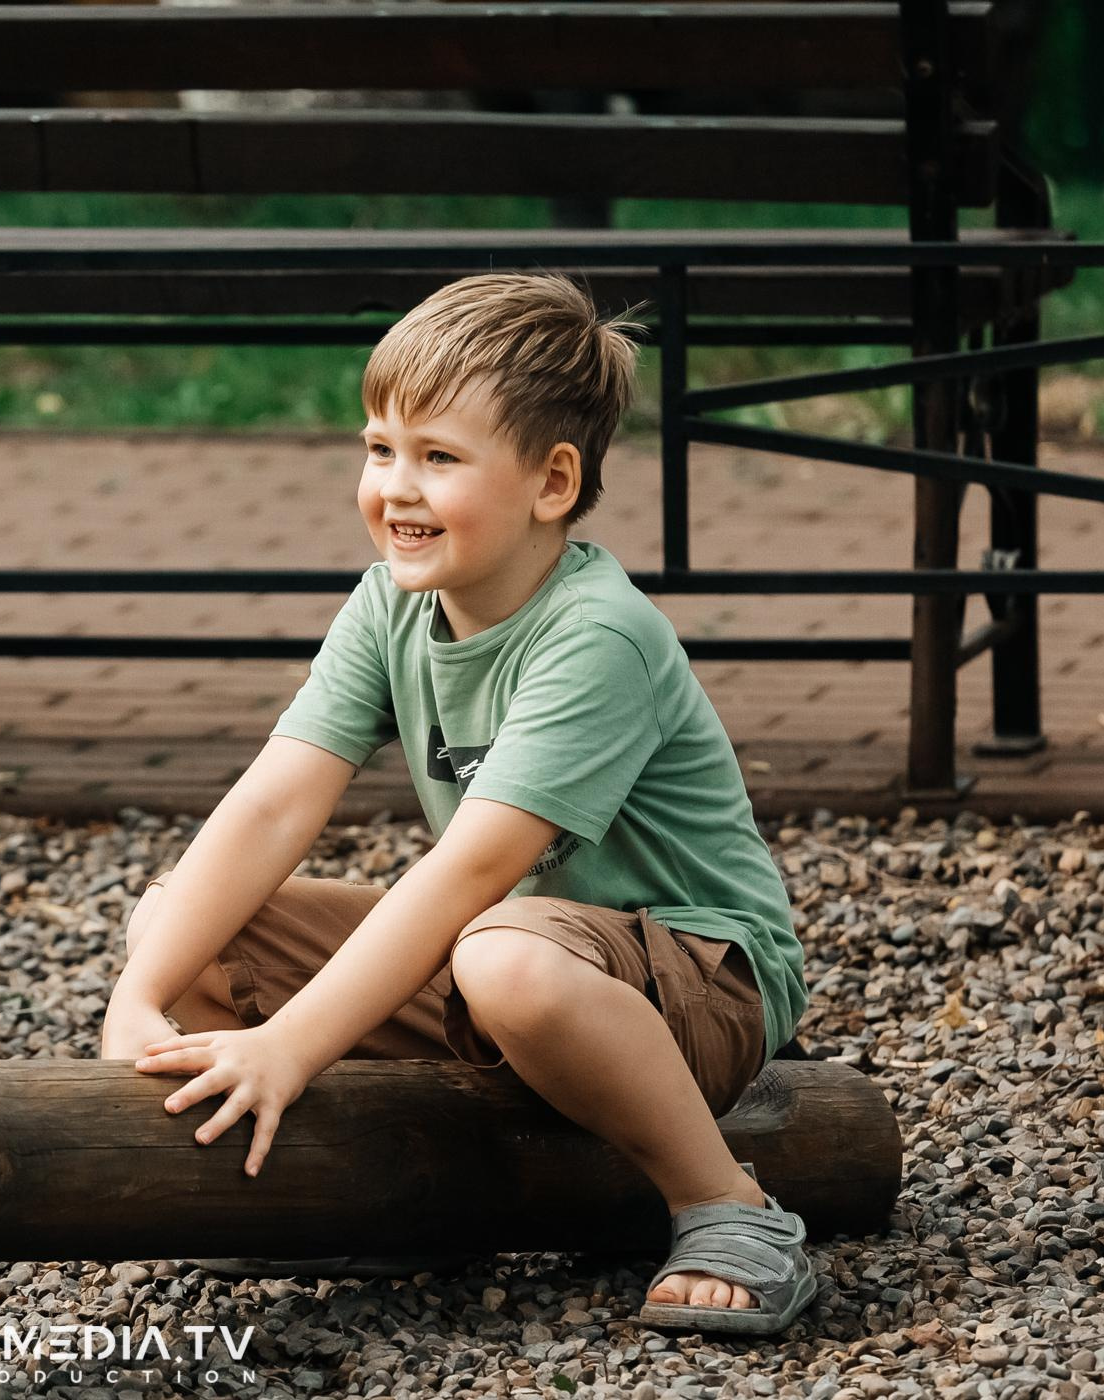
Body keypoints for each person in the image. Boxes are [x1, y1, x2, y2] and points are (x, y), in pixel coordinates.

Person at [99, 273, 816, 1336]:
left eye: (438, 457)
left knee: (504, 953)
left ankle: (730, 1207)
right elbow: (271, 805)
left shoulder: (596, 635)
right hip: (507, 955)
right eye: (380, 447)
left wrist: (293, 1039)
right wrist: (137, 994)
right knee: (182, 923)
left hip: (699, 977)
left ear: (552, 481)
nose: (396, 486)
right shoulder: (391, 599)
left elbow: (471, 868)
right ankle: (378, 1200)